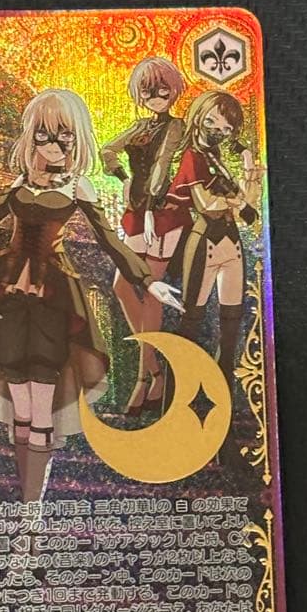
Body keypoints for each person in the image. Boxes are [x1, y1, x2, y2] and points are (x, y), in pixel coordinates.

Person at [0, 87, 182, 501]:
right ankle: (28, 507)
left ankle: (33, 514)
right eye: (43, 135)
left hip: (52, 298)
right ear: (32, 137)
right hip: (8, 297)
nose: (53, 145)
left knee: (41, 404)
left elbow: (110, 241)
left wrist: (147, 280)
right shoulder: (18, 185)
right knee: (21, 405)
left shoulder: (79, 188)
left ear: (76, 137)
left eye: (64, 135)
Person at [163, 89, 264, 464]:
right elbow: (207, 205)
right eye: (211, 122)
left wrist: (251, 171)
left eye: (225, 127)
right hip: (203, 244)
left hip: (231, 247)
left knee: (229, 337)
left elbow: (251, 208)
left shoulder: (218, 159)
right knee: (189, 331)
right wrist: (239, 203)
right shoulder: (192, 156)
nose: (217, 130)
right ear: (198, 118)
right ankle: (175, 425)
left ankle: (222, 434)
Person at [100, 57, 185, 414]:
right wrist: (123, 178)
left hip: (163, 211)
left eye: (163, 90)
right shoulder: (139, 126)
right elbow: (107, 149)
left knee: (152, 292)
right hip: (137, 210)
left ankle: (143, 380)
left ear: (174, 90)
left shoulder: (176, 126)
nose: (157, 97)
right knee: (123, 286)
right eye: (149, 92)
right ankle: (155, 371)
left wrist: (150, 206)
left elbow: (163, 164)